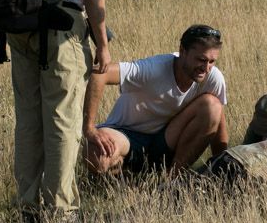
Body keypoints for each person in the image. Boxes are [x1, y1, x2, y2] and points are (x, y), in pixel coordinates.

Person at [6, 0, 136, 219]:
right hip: (61, 30)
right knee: (63, 119)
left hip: (21, 25)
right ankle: (60, 210)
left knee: (29, 119)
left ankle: (28, 205)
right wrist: (102, 44)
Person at [83, 25, 229, 176]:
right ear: (182, 51)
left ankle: (173, 180)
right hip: (126, 135)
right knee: (94, 153)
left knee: (213, 106)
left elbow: (218, 119)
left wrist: (223, 168)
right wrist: (89, 128)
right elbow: (99, 74)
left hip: (166, 140)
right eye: (201, 59)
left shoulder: (213, 77)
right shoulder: (153, 68)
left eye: (212, 61)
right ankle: (127, 176)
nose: (206, 68)